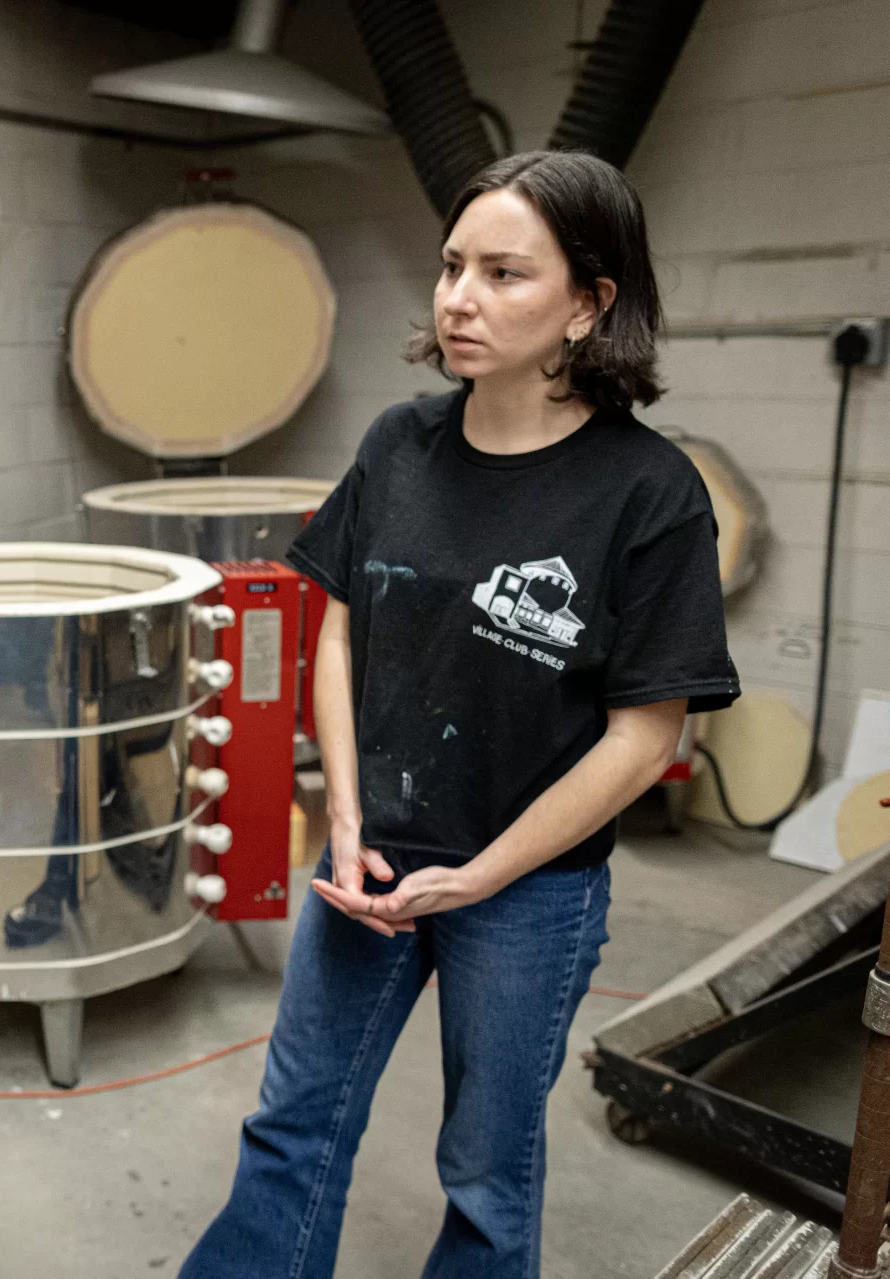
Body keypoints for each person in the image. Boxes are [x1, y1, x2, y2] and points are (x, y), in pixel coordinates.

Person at [181, 150, 739, 1279]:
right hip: (368, 860)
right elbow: (333, 623)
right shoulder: (400, 444)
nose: (457, 298)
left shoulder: (647, 491)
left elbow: (646, 736)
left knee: (485, 1169)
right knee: (290, 1124)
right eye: (448, 267)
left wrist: (482, 875)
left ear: (589, 303)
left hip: (526, 891)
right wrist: (339, 811)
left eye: (501, 273)